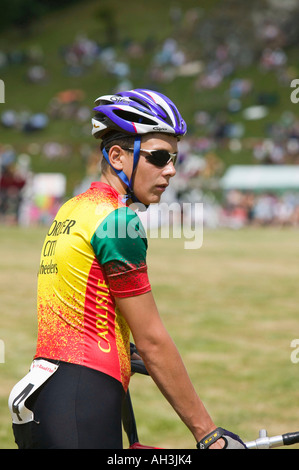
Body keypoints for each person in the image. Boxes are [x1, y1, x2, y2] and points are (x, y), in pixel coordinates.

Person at [8, 88, 246, 449]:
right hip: (85, 399)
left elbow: (80, 306)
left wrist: (123, 351)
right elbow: (151, 339)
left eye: (174, 158)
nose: (171, 170)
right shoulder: (120, 222)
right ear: (117, 156)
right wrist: (207, 433)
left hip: (50, 395)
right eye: (160, 156)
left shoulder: (74, 208)